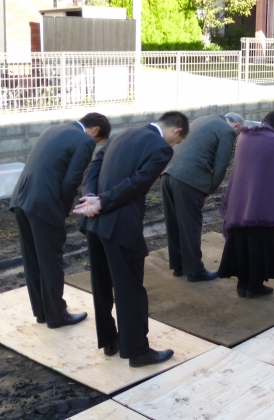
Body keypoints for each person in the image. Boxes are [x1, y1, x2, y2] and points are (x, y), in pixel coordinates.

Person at [74, 111, 188, 367]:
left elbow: (94, 165)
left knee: (101, 285)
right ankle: (137, 351)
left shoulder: (122, 134)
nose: (175, 145)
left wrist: (91, 196)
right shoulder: (161, 148)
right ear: (176, 131)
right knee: (130, 289)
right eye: (177, 141)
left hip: (94, 223)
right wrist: (102, 201)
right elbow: (138, 182)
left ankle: (110, 341)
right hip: (119, 226)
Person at [10, 113, 111, 328]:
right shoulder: (84, 140)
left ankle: (42, 312)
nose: (94, 144)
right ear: (95, 130)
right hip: (45, 204)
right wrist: (63, 210)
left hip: (21, 198)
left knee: (33, 259)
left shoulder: (53, 129)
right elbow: (71, 180)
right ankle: (57, 315)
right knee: (50, 260)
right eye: (98, 140)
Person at [161, 113, 244, 281]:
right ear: (236, 127)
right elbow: (221, 165)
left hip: (168, 173)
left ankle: (178, 266)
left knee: (174, 223)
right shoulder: (227, 131)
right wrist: (208, 190)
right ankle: (195, 271)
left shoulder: (202, 119)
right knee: (190, 225)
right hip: (189, 179)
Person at [217, 110, 274, 299]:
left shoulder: (243, 137)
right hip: (261, 205)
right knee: (258, 244)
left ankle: (242, 285)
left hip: (238, 202)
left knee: (240, 242)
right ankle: (254, 286)